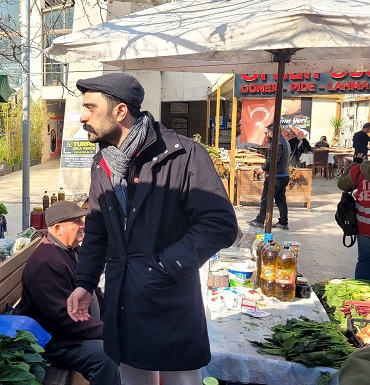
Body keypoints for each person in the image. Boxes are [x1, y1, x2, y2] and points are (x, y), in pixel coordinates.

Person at [66, 73, 238, 385]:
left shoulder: (184, 155)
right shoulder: (102, 163)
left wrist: (163, 265)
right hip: (122, 302)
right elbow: (97, 232)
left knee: (180, 381)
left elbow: (220, 225)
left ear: (120, 111)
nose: (83, 116)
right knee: (131, 379)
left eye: (90, 107)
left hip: (170, 299)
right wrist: (84, 283)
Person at [15, 200, 120, 385]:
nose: (82, 226)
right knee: (106, 356)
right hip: (55, 342)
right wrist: (108, 331)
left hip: (70, 334)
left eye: (81, 220)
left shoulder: (68, 250)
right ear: (57, 228)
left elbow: (93, 291)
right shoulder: (48, 263)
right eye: (76, 221)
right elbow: (64, 319)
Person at [247, 124, 291, 230]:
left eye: (267, 133)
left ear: (271, 132)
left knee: (266, 198)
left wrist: (263, 168)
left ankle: (260, 220)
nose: (266, 135)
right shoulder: (284, 141)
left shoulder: (277, 143)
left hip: (276, 176)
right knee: (281, 199)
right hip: (283, 175)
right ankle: (283, 222)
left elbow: (274, 159)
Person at [337, 159, 370, 280]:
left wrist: (354, 162)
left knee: (364, 261)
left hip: (364, 226)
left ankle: (362, 294)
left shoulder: (359, 170)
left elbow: (342, 184)